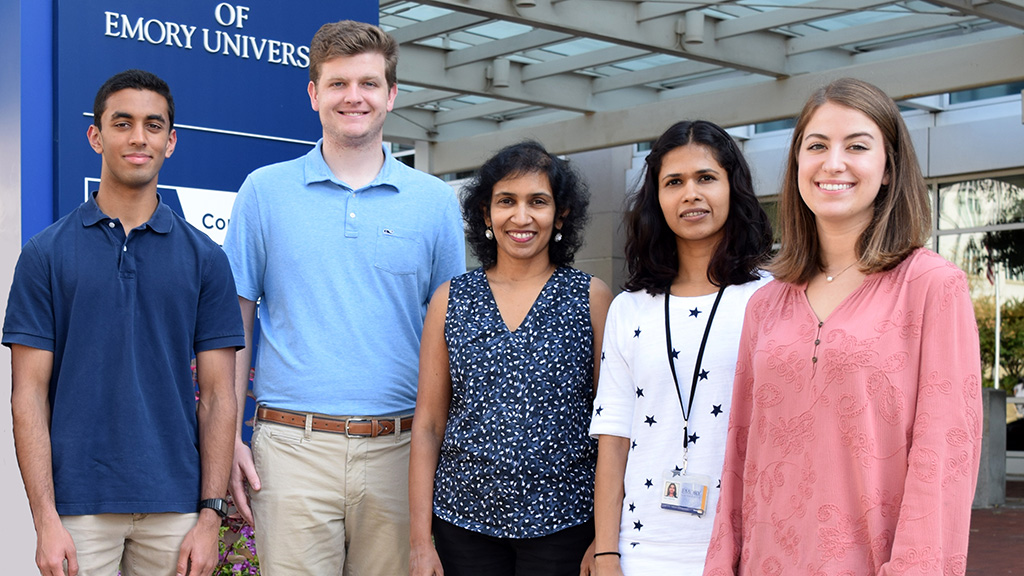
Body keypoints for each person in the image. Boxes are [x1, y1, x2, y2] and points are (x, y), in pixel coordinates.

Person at [703, 78, 982, 575]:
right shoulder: (766, 303)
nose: (834, 163)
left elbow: (944, 459)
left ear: (889, 168)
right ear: (797, 166)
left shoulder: (933, 286)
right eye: (816, 146)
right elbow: (740, 452)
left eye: (857, 145)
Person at [221, 20, 466, 576]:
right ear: (313, 94)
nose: (353, 96)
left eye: (369, 83)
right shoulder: (264, 191)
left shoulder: (433, 202)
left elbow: (450, 330)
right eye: (337, 84)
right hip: (290, 450)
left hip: (402, 452)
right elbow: (234, 322)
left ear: (391, 95)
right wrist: (229, 439)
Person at [4, 69, 244, 576]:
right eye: (123, 123)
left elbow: (221, 397)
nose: (139, 137)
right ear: (96, 136)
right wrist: (44, 519)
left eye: (153, 125)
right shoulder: (45, 255)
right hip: (78, 508)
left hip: (176, 507)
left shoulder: (206, 259)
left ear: (171, 142)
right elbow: (27, 394)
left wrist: (209, 517)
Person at [409, 140, 612, 576]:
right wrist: (419, 541)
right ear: (486, 214)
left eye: (537, 201)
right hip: (462, 523)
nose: (521, 217)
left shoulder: (592, 298)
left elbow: (611, 425)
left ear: (561, 214)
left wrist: (605, 538)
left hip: (565, 524)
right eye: (506, 201)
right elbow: (427, 424)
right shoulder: (450, 300)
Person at [589, 120, 773, 575]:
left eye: (706, 178)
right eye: (674, 182)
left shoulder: (773, 299)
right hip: (641, 547)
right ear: (657, 199)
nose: (690, 193)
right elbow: (614, 440)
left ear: (734, 187)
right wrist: (606, 550)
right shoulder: (629, 308)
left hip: (747, 544)